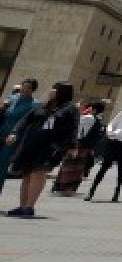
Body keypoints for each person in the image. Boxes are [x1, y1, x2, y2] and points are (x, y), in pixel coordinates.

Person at [5, 81, 79, 217]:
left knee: (37, 173)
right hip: (32, 144)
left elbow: (73, 128)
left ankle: (29, 207)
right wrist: (14, 132)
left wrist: (72, 146)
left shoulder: (70, 109)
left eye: (54, 89)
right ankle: (22, 206)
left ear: (62, 92)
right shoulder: (42, 106)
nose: (51, 91)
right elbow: (25, 120)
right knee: (27, 174)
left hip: (51, 147)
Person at [86, 98, 122, 202]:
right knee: (104, 167)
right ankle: (91, 191)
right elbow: (111, 124)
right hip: (115, 142)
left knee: (121, 169)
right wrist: (109, 133)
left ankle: (116, 193)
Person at [55, 99, 106, 196]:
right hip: (80, 145)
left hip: (83, 145)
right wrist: (75, 146)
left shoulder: (93, 118)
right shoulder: (89, 118)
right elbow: (80, 132)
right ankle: (65, 188)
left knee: (75, 167)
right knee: (72, 166)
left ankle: (63, 187)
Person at [0, 79, 37, 195]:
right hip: (1, 132)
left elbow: (29, 125)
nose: (23, 89)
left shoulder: (35, 105)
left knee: (2, 165)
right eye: (22, 86)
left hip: (14, 138)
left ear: (32, 90)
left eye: (26, 87)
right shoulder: (13, 98)